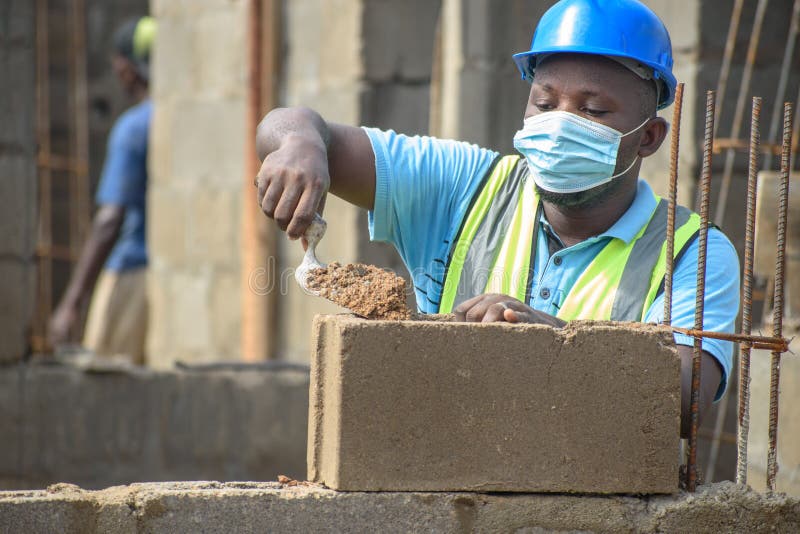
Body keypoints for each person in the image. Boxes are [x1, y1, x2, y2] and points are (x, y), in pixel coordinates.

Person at [253, 0, 739, 437]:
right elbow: (289, 124)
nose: (559, 123)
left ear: (649, 137)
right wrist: (300, 144)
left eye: (591, 110)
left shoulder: (693, 253)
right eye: (545, 103)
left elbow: (684, 396)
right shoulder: (463, 184)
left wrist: (556, 345)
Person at [49, 16, 157, 364]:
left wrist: (72, 302)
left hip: (130, 273)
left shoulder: (132, 128)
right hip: (161, 275)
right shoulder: (171, 121)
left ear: (126, 69)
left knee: (108, 378)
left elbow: (109, 219)